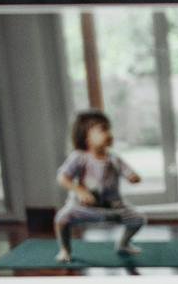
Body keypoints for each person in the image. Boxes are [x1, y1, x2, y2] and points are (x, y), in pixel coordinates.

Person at [54, 109, 144, 263]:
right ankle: (65, 250)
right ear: (86, 136)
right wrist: (80, 191)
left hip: (113, 208)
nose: (109, 133)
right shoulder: (79, 157)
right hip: (85, 207)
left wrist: (133, 177)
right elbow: (63, 178)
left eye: (109, 129)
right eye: (103, 129)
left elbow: (130, 174)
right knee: (62, 219)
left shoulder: (114, 159)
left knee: (138, 219)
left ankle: (123, 244)